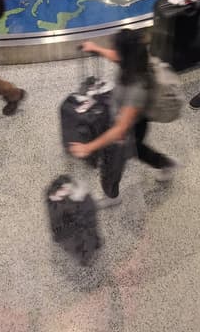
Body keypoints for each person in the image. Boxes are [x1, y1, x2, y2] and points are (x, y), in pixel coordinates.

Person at [69, 31, 178, 209]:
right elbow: (118, 57)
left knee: (112, 165)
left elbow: (120, 129)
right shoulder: (137, 61)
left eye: (116, 48)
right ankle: (166, 164)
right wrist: (95, 48)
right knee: (139, 150)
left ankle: (112, 196)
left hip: (129, 129)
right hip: (135, 124)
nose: (113, 50)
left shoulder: (136, 88)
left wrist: (88, 147)